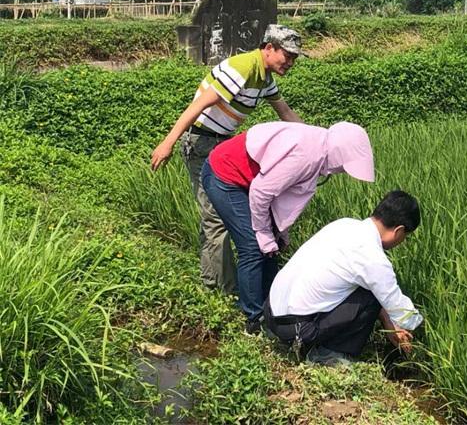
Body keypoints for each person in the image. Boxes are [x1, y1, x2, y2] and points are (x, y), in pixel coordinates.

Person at [150, 24, 304, 295]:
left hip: (223, 147)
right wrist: (167, 142)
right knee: (215, 217)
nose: (290, 62)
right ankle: (216, 290)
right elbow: (198, 105)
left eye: (294, 58)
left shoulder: (264, 79)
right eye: (287, 55)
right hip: (202, 142)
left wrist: (321, 141)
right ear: (269, 48)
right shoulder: (243, 67)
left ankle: (234, 283)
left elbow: (286, 112)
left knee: (243, 211)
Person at [201, 121, 375, 333]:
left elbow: (282, 194)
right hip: (225, 174)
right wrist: (264, 232)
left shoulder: (319, 150)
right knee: (252, 248)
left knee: (271, 248)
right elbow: (262, 192)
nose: (340, 171)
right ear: (339, 153)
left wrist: (279, 232)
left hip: (249, 182)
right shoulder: (307, 156)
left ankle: (271, 308)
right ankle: (253, 320)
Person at [265, 190, 423, 366]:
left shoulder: (345, 225)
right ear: (399, 231)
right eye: (406, 236)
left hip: (272, 313)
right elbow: (402, 312)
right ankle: (328, 355)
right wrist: (426, 328)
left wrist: (386, 320)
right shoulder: (373, 258)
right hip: (296, 329)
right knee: (370, 296)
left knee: (369, 290)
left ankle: (302, 341)